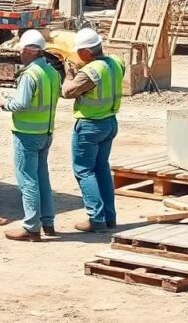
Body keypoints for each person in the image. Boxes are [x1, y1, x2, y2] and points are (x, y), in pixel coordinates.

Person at [0, 30, 60, 242]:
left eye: (21, 50)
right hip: (45, 133)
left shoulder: (30, 74)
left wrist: (2, 103)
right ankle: (48, 223)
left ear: (29, 50)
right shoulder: (52, 72)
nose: (19, 53)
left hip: (27, 134)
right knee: (42, 178)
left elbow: (21, 104)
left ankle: (31, 227)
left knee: (27, 181)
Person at [61, 27, 125, 233]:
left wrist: (69, 73)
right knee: (102, 169)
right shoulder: (115, 62)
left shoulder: (90, 71)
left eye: (79, 51)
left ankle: (96, 218)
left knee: (84, 170)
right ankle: (109, 216)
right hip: (109, 122)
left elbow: (68, 92)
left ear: (87, 53)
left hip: (90, 126)